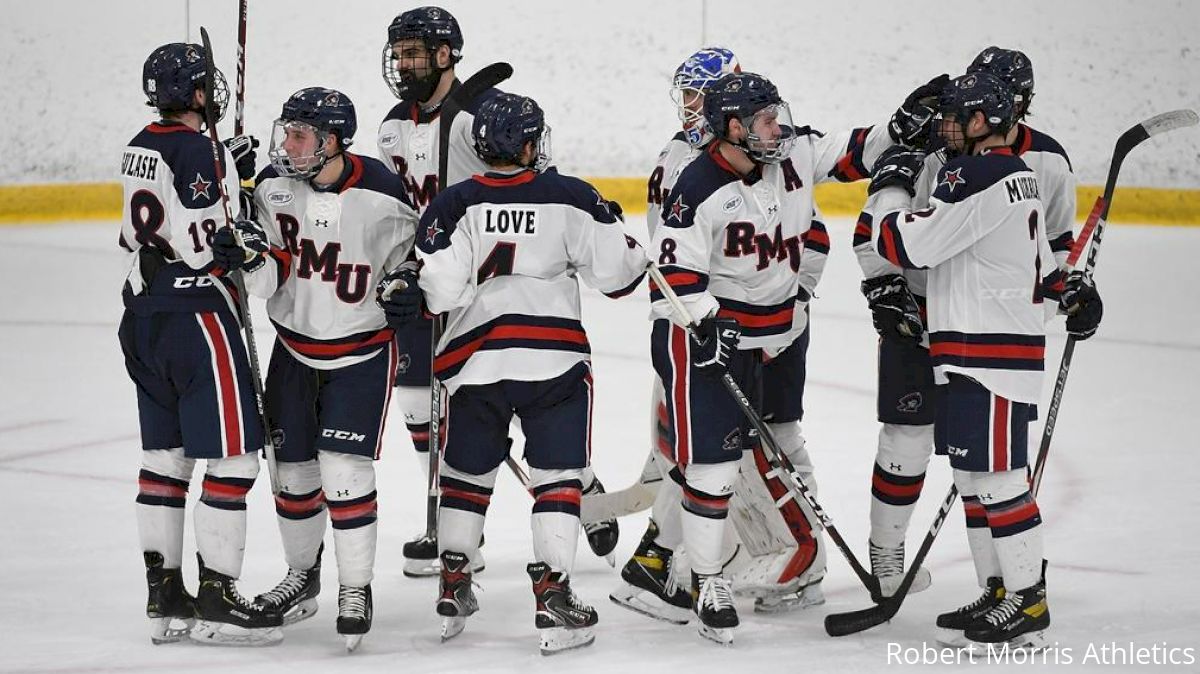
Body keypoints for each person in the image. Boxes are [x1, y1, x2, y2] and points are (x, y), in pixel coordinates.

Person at [378, 92, 647, 654]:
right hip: (552, 362)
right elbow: (619, 277)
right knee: (556, 476)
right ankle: (552, 595)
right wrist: (620, 236)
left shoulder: (454, 203)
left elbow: (441, 289)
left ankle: (454, 582)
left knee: (465, 473)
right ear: (529, 145)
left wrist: (410, 285)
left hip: (474, 361)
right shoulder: (572, 195)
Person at [648, 70, 902, 643]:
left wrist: (904, 123)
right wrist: (704, 319)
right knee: (712, 465)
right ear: (733, 128)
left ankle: (799, 562)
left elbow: (857, 149)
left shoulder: (792, 154)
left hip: (780, 335)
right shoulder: (697, 186)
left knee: (782, 442)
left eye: (776, 115)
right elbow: (670, 274)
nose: (777, 127)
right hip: (714, 340)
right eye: (765, 119)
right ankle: (707, 579)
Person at [859, 72, 1102, 649]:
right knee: (975, 478)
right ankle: (999, 592)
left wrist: (889, 185)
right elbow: (1040, 265)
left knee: (997, 480)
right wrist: (1067, 288)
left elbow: (902, 244)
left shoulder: (976, 172)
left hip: (986, 349)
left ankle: (1028, 602)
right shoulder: (1015, 176)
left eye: (955, 118)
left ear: (982, 123)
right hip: (978, 347)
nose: (944, 128)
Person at [232, 87, 419, 651]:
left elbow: (416, 263)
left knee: (344, 471)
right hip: (293, 352)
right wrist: (241, 231)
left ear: (332, 142)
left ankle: (355, 588)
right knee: (292, 476)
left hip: (359, 356)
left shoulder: (384, 195)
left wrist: (410, 282)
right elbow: (264, 282)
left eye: (300, 135)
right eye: (285, 132)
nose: (287, 145)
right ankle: (301, 577)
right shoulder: (270, 186)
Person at [120, 42, 281, 646]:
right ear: (193, 93)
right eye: (205, 86)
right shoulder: (194, 147)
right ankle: (218, 597)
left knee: (165, 460)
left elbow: (143, 228)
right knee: (236, 456)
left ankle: (165, 598)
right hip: (196, 318)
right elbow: (208, 243)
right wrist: (231, 182)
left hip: (143, 314)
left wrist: (226, 174)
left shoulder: (143, 141)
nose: (214, 93)